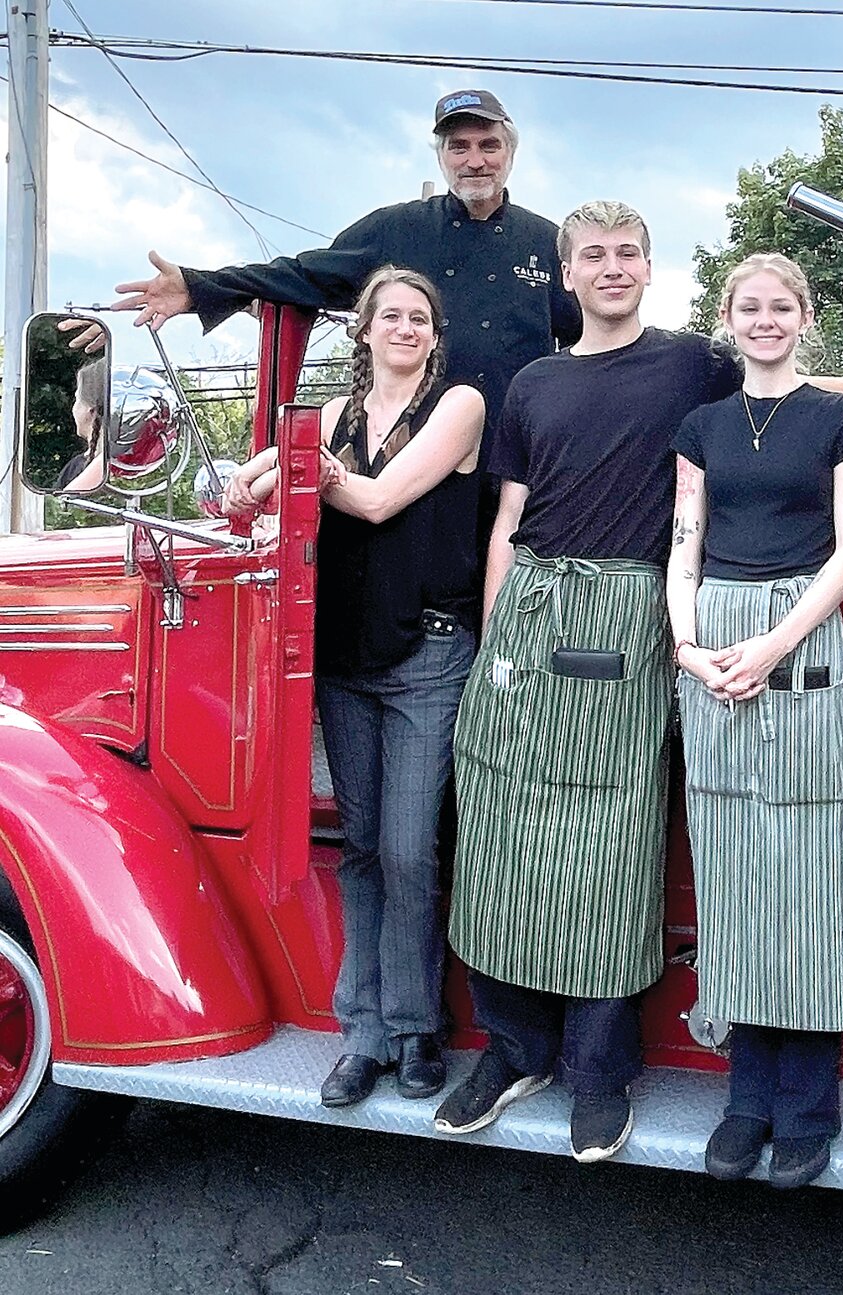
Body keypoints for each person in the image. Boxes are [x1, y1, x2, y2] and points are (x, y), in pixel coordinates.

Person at [436, 200, 742, 1162]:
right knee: (495, 832)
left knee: (610, 840)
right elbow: (508, 519)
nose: (611, 267)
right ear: (565, 274)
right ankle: (513, 1048)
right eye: (593, 255)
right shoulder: (533, 382)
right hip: (527, 611)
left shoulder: (695, 364)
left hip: (629, 614)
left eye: (628, 252)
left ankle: (599, 1074)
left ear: (650, 268)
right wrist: (493, 645)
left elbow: (791, 381)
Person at [224, 266, 484, 1108]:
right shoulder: (331, 416)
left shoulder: (459, 407)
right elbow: (259, 480)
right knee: (364, 851)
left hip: (428, 656)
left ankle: (416, 1029)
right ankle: (362, 1034)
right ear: (363, 331)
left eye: (420, 318)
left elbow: (374, 501)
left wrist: (304, 468)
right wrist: (246, 479)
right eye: (390, 316)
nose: (406, 328)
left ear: (433, 337)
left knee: (411, 848)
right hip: (344, 658)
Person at [109, 89, 580, 533]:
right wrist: (198, 287)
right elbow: (301, 275)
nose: (475, 160)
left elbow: (589, 338)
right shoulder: (396, 229)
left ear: (510, 153)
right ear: (441, 157)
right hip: (407, 470)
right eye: (459, 147)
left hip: (518, 470)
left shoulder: (546, 242)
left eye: (488, 145)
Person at [666, 253, 843, 1190]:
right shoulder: (703, 424)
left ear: (804, 317)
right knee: (732, 864)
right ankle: (745, 1096)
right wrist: (686, 643)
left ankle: (808, 1105)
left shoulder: (837, 418)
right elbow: (684, 543)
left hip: (804, 638)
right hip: (712, 641)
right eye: (748, 307)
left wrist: (777, 644)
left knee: (810, 868)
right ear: (728, 317)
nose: (764, 320)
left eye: (780, 307)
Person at [57, 356, 109, 492]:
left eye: (76, 399)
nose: (73, 408)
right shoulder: (135, 463)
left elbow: (64, 504)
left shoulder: (76, 468)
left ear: (90, 409)